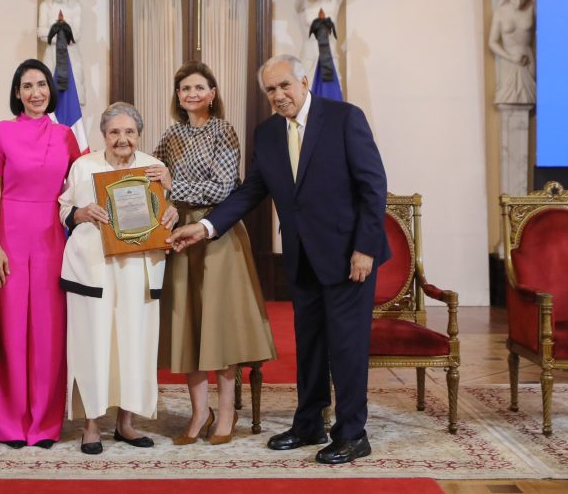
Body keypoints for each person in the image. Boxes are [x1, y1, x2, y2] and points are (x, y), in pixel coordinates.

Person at [168, 54, 389, 465]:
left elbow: (374, 187)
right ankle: (309, 423)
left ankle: (352, 433)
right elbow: (250, 191)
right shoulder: (268, 133)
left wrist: (366, 248)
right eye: (270, 89)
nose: (278, 95)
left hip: (348, 257)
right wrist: (204, 228)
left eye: (284, 85)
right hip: (302, 258)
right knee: (309, 344)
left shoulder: (344, 118)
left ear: (304, 81)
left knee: (346, 346)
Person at [151, 61, 276, 445]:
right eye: (184, 88)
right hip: (178, 236)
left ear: (212, 93)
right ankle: (198, 412)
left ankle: (226, 411)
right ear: (178, 96)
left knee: (219, 325)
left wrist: (175, 183)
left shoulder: (225, 131)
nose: (191, 94)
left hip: (217, 231)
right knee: (187, 324)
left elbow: (225, 188)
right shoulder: (170, 136)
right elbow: (150, 178)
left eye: (198, 87)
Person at [59, 102, 178, 455]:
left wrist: (171, 211)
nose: (122, 139)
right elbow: (63, 208)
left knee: (133, 344)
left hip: (136, 272)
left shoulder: (154, 169)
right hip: (92, 273)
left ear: (138, 135)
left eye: (129, 132)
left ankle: (126, 424)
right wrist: (79, 212)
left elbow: (166, 209)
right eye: (114, 132)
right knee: (92, 345)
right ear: (104, 135)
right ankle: (91, 425)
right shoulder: (83, 166)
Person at [0, 59, 81, 449]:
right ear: (17, 93)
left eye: (41, 84)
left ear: (50, 91)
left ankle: (44, 423)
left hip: (52, 238)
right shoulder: (0, 132)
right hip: (8, 235)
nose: (36, 92)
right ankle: (8, 422)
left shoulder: (65, 137)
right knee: (8, 330)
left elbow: (87, 181)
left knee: (48, 332)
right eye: (27, 86)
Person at [37, 0, 85, 106]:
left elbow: (75, 36)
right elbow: (41, 35)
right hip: (51, 53)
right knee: (48, 84)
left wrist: (50, 32)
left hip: (70, 54)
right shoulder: (45, 6)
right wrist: (61, 32)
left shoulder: (75, 7)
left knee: (73, 85)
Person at [298, 0, 346, 102]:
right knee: (307, 89)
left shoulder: (333, 4)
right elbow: (300, 0)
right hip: (310, 52)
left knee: (332, 93)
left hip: (328, 53)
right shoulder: (306, 6)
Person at [488, 0, 537, 105]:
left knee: (529, 98)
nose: (519, 2)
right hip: (508, 58)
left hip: (527, 58)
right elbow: (492, 42)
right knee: (508, 98)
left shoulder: (531, 9)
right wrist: (510, 57)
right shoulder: (501, 12)